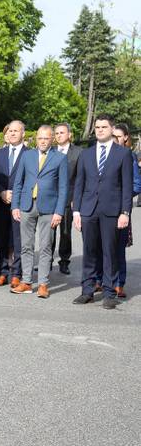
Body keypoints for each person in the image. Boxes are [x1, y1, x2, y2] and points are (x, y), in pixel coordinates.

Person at [71, 114, 133, 310]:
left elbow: (126, 186)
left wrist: (125, 212)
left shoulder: (122, 154)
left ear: (111, 129)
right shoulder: (86, 154)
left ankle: (109, 293)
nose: (99, 130)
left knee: (110, 252)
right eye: (97, 127)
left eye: (104, 127)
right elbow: (79, 184)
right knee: (89, 252)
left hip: (111, 210)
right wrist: (77, 212)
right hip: (88, 210)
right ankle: (87, 291)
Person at [9, 125, 68, 298]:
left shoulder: (60, 158)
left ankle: (43, 284)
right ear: (36, 139)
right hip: (26, 206)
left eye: (46, 138)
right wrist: (15, 206)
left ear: (52, 139)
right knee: (26, 246)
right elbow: (18, 183)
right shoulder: (27, 156)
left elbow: (64, 187)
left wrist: (59, 212)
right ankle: (26, 282)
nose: (43, 141)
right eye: (40, 138)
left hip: (49, 208)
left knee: (45, 247)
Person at [0, 120, 27, 287]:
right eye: (10, 131)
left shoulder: (30, 154)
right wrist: (1, 192)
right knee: (2, 239)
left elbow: (31, 180)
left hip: (20, 204)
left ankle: (16, 273)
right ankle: (2, 272)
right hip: (0, 202)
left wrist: (17, 196)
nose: (12, 133)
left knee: (18, 240)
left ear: (23, 134)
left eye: (16, 131)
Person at [111, 123, 140, 297]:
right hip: (103, 209)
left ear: (126, 138)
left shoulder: (129, 156)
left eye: (119, 136)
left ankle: (119, 283)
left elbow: (137, 183)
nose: (115, 139)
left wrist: (123, 198)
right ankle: (101, 280)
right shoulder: (104, 154)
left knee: (118, 249)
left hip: (121, 209)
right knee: (102, 248)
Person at [51, 122, 83, 275]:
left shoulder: (78, 152)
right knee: (48, 232)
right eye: (56, 133)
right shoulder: (50, 151)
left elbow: (80, 178)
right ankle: (47, 260)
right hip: (50, 198)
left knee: (65, 232)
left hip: (68, 198)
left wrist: (76, 198)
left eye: (62, 133)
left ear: (69, 134)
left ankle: (64, 261)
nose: (58, 136)